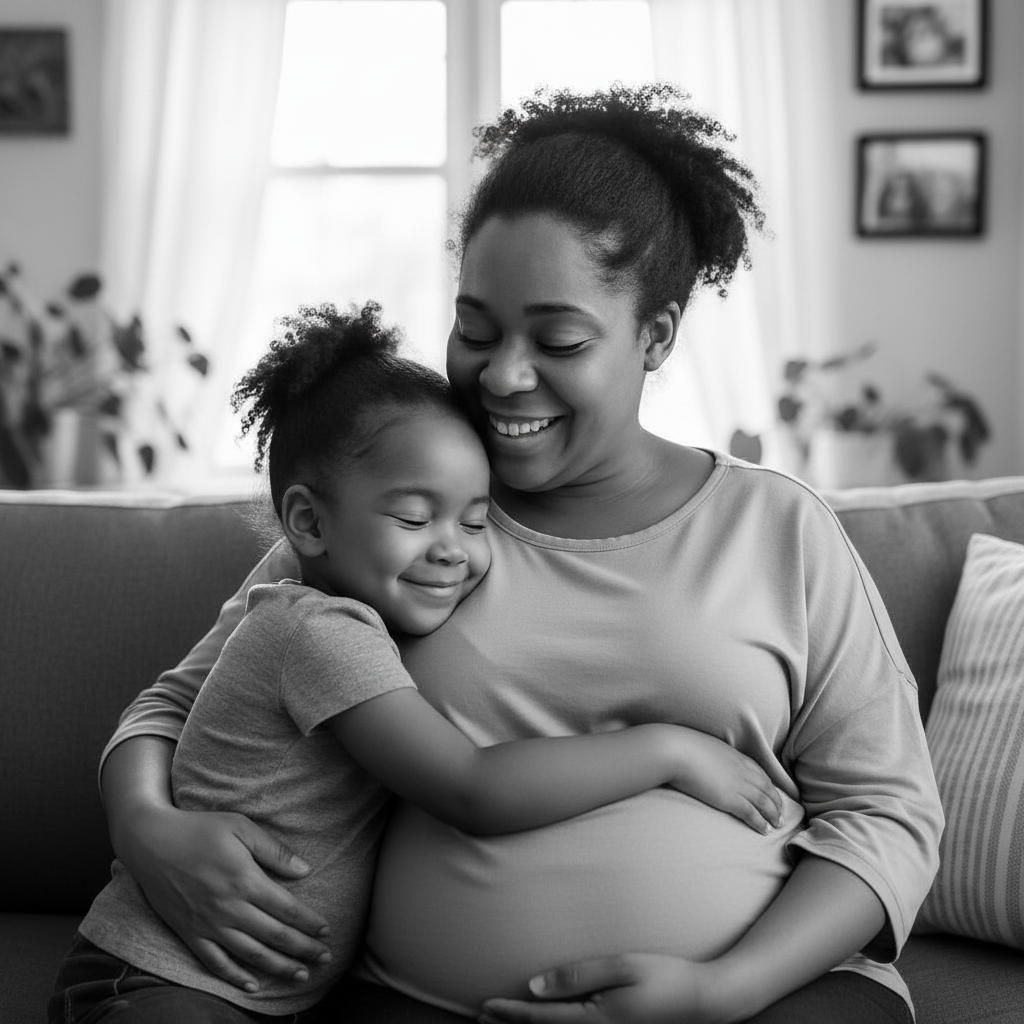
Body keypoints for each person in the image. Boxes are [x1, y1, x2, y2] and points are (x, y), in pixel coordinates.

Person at [91, 84, 943, 1024]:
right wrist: (146, 827)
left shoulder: (778, 529)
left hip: (764, 999)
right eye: (476, 329)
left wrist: (717, 990)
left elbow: (886, 815)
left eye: (560, 338)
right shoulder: (402, 515)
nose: (502, 375)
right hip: (427, 1002)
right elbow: (180, 702)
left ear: (655, 334)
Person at [48, 299, 783, 1023]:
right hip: (155, 978)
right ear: (309, 523)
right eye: (412, 518)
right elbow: (470, 789)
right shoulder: (315, 629)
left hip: (261, 998)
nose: (452, 549)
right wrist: (669, 751)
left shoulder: (372, 598)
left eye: (474, 519)